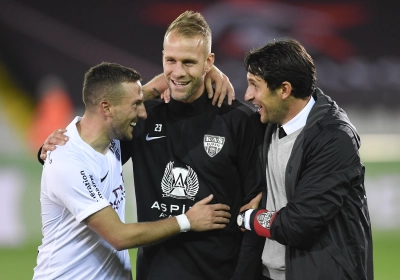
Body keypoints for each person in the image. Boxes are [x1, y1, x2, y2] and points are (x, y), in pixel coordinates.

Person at [40, 11, 265, 280]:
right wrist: (53, 148)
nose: (178, 71)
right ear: (162, 58)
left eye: (189, 62)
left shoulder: (240, 121)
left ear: (209, 62)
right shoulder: (143, 117)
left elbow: (253, 213)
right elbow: (91, 144)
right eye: (171, 60)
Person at [33, 62, 232, 280]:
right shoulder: (69, 161)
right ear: (107, 108)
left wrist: (207, 69)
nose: (144, 112)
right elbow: (119, 236)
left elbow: (159, 84)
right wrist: (187, 221)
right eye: (136, 104)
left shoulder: (111, 138)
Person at [236, 38, 373, 279]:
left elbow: (298, 224)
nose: (248, 95)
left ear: (284, 90)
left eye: (255, 85)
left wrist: (247, 218)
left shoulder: (333, 139)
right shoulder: (268, 122)